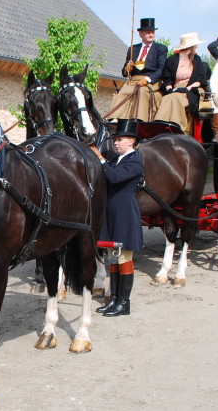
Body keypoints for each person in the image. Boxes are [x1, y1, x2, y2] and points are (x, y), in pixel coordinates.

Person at [89, 119, 144, 317]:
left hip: (125, 213)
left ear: (131, 141)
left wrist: (101, 160)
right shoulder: (116, 160)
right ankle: (113, 298)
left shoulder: (135, 161)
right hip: (111, 212)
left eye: (120, 139)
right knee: (113, 256)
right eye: (116, 139)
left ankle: (124, 302)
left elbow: (114, 177)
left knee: (124, 257)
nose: (116, 143)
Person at [107, 18, 169, 121]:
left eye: (152, 32)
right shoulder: (133, 49)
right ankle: (115, 119)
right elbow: (124, 73)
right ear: (141, 34)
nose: (151, 35)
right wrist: (128, 69)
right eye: (148, 32)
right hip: (133, 81)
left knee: (142, 91)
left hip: (151, 81)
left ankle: (138, 119)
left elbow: (162, 69)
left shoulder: (160, 49)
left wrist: (148, 80)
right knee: (120, 95)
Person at [155, 32, 208, 135]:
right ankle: (160, 125)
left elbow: (200, 79)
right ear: (190, 46)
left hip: (192, 88)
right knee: (167, 98)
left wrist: (188, 88)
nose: (197, 47)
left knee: (176, 98)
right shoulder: (172, 60)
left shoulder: (196, 60)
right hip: (176, 88)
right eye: (195, 45)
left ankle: (178, 127)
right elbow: (167, 79)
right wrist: (170, 89)